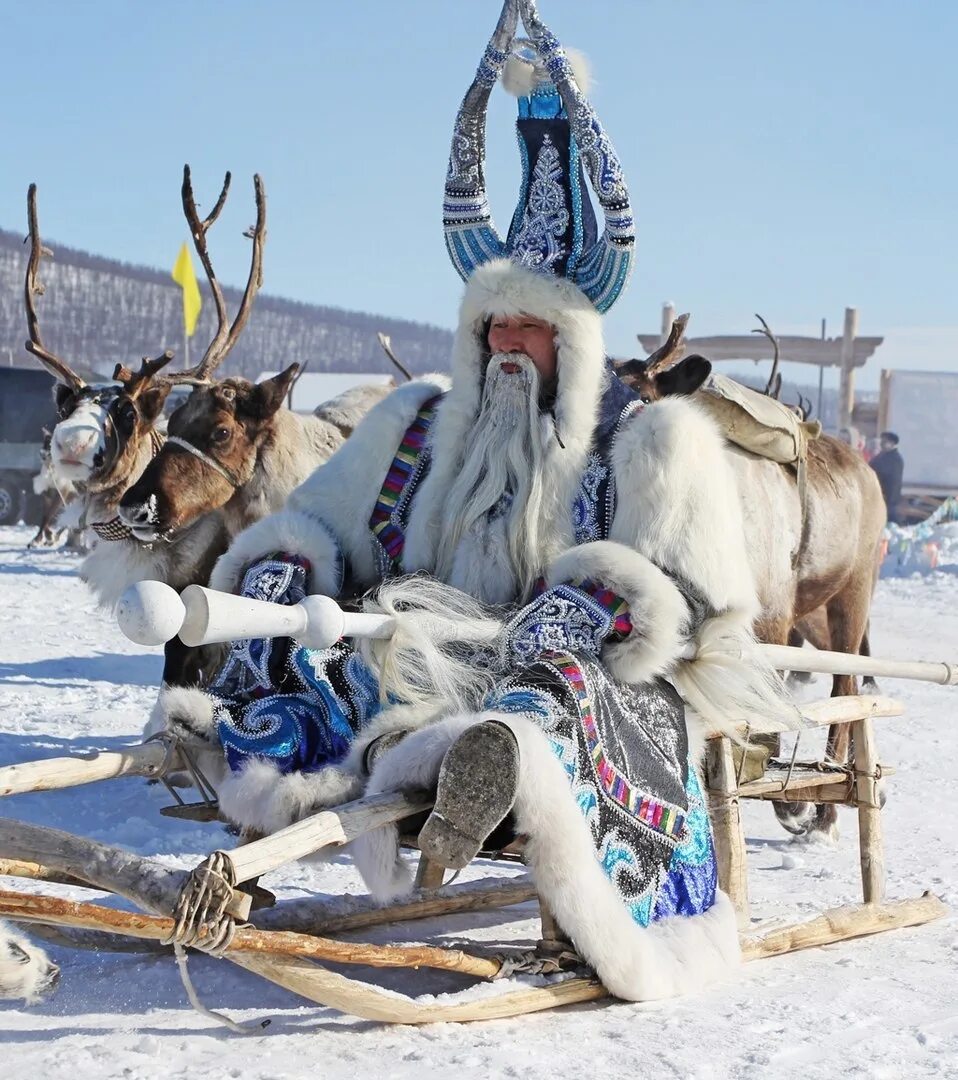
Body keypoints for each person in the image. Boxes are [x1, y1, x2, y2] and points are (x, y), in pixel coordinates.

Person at [154, 0, 792, 1002]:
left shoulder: (649, 444)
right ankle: (298, 763)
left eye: (527, 329)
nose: (503, 343)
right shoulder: (414, 427)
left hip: (587, 679)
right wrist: (286, 569)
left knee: (563, 688)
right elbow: (318, 522)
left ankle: (497, 767)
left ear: (571, 342)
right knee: (308, 648)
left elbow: (695, 614)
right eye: (488, 324)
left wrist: (582, 608)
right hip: (428, 663)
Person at [870, 431, 904, 523]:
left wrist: (889, 502)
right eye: (882, 441)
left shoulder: (896, 459)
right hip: (877, 496)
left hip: (888, 500)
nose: (882, 444)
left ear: (892, 443)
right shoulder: (880, 456)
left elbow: (894, 483)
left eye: (885, 442)